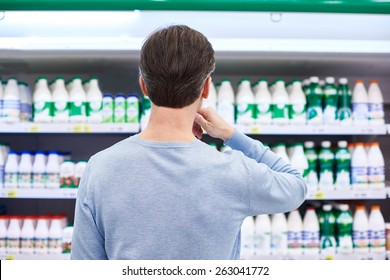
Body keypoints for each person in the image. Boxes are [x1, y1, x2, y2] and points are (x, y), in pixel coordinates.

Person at [71, 25, 307, 260]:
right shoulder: (234, 171)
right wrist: (231, 136)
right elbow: (296, 186)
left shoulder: (100, 168)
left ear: (144, 85)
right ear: (206, 88)